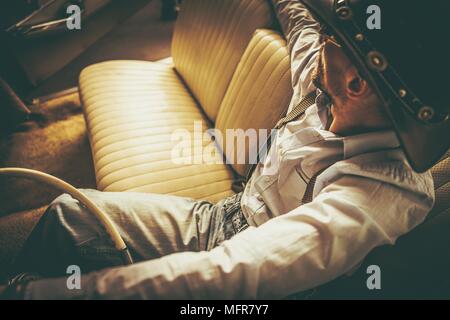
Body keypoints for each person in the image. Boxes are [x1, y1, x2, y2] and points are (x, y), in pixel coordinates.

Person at [1, 0, 448, 299]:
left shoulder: (384, 191)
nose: (318, 53)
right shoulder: (324, 70)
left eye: (334, 42)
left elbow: (232, 271)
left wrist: (37, 295)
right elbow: (300, 17)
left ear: (357, 81)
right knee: (69, 215)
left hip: (251, 275)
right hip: (223, 212)